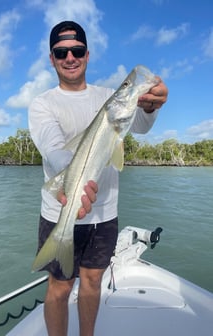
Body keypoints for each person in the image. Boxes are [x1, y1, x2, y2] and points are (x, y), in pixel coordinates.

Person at [29, 20, 168, 336]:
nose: (70, 57)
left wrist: (151, 104)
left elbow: (142, 125)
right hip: (59, 212)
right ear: (52, 58)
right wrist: (73, 183)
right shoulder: (42, 104)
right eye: (61, 52)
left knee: (92, 282)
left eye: (76, 50)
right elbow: (53, 148)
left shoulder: (110, 97)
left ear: (87, 54)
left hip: (105, 214)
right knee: (60, 287)